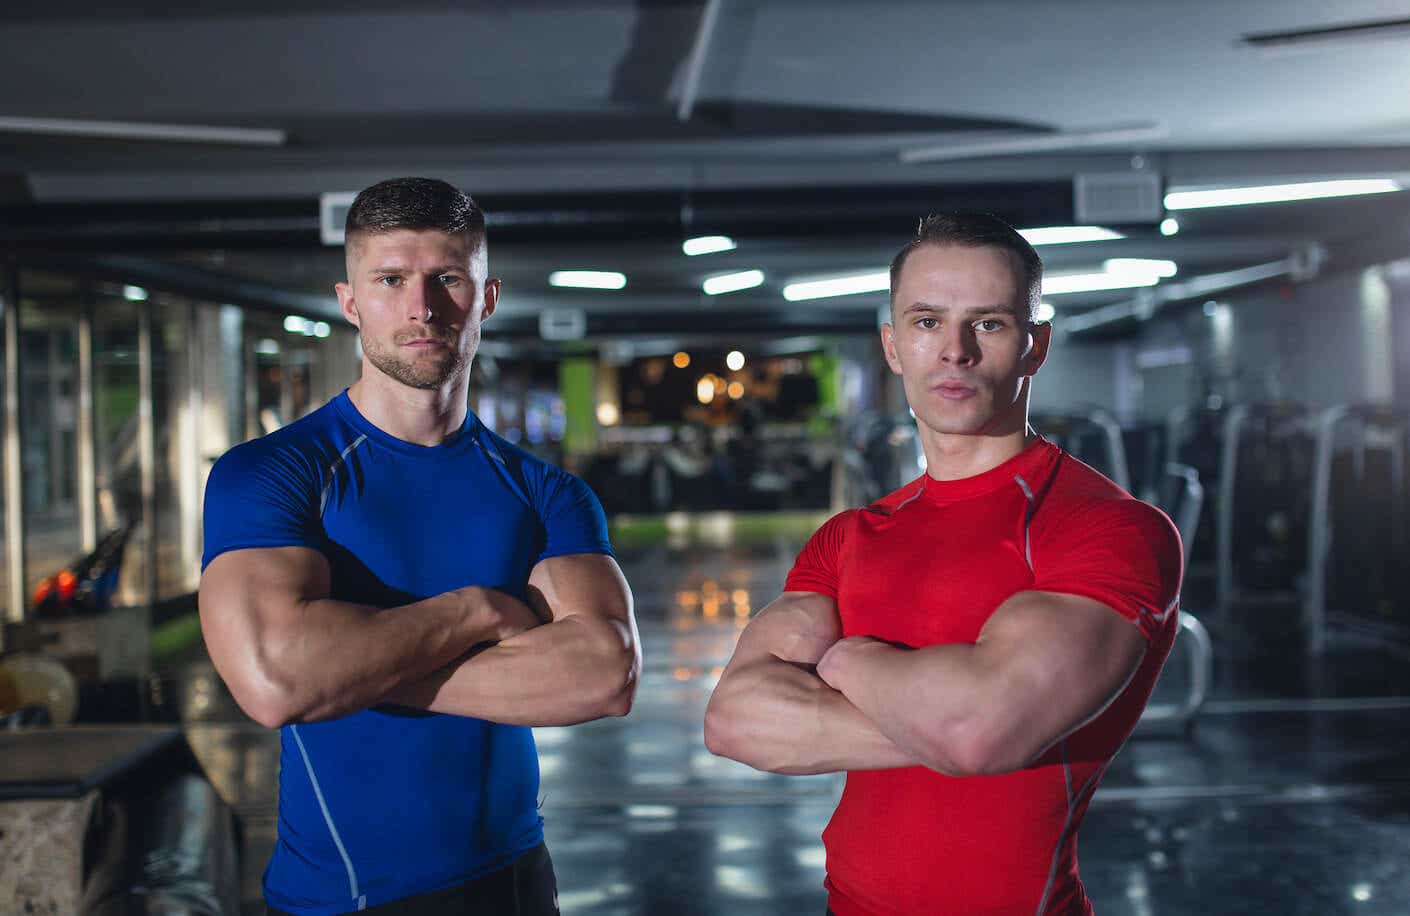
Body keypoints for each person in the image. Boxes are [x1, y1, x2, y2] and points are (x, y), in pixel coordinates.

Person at [704, 213, 1182, 916]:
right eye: (927, 321)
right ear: (893, 346)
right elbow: (735, 722)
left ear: (1035, 345)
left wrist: (843, 662)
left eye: (987, 323)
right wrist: (943, 714)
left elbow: (980, 731)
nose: (953, 351)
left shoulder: (1105, 528)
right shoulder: (852, 536)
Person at [199, 177, 640, 916]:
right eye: (391, 279)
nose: (421, 307)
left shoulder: (547, 492)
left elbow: (604, 674)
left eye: (447, 279)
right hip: (340, 899)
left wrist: (350, 667)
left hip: (515, 883)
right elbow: (277, 681)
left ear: (487, 297)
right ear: (350, 301)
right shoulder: (273, 473)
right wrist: (476, 612)